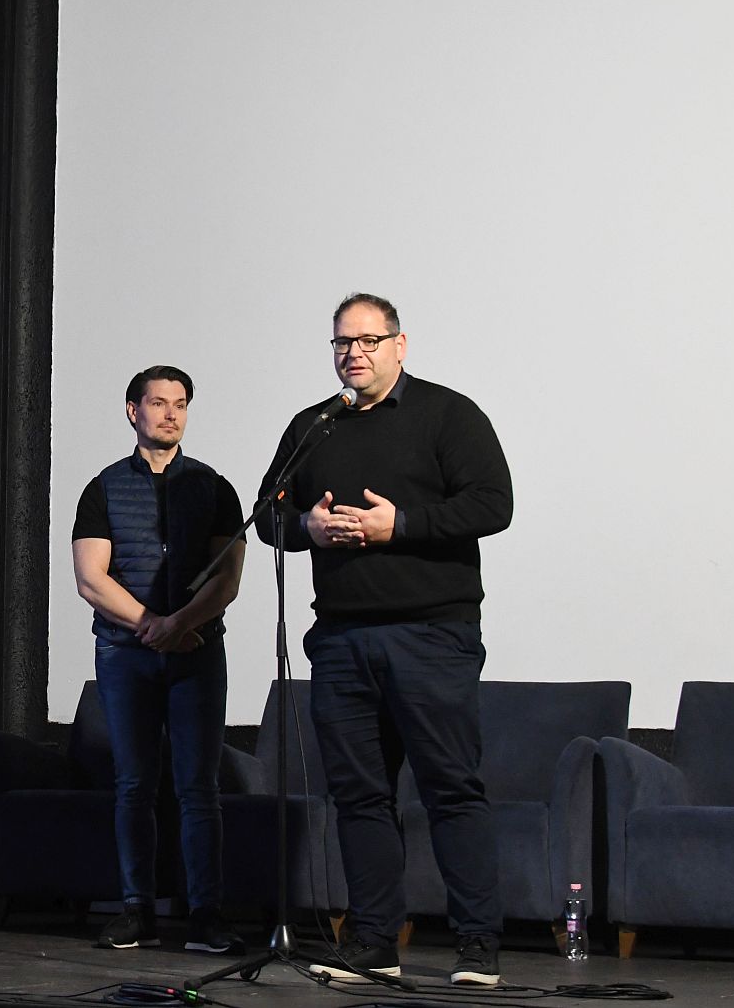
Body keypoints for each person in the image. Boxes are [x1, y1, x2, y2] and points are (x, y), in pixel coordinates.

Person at [256, 295, 512, 987]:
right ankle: (374, 939)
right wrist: (306, 527)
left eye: (369, 340)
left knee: (450, 788)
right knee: (360, 795)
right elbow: (267, 514)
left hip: (431, 634)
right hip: (342, 640)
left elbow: (494, 504)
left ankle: (477, 943)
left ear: (400, 344)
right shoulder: (314, 426)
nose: (354, 353)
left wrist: (400, 525)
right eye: (343, 342)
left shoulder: (448, 414)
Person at [71, 365, 247, 954]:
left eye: (180, 404)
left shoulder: (214, 486)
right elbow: (91, 579)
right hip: (127, 655)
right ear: (133, 411)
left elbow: (227, 579)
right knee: (134, 785)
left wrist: (181, 624)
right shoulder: (102, 488)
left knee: (199, 788)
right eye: (158, 402)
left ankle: (206, 916)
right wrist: (153, 625)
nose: (171, 414)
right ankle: (136, 911)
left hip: (197, 653)